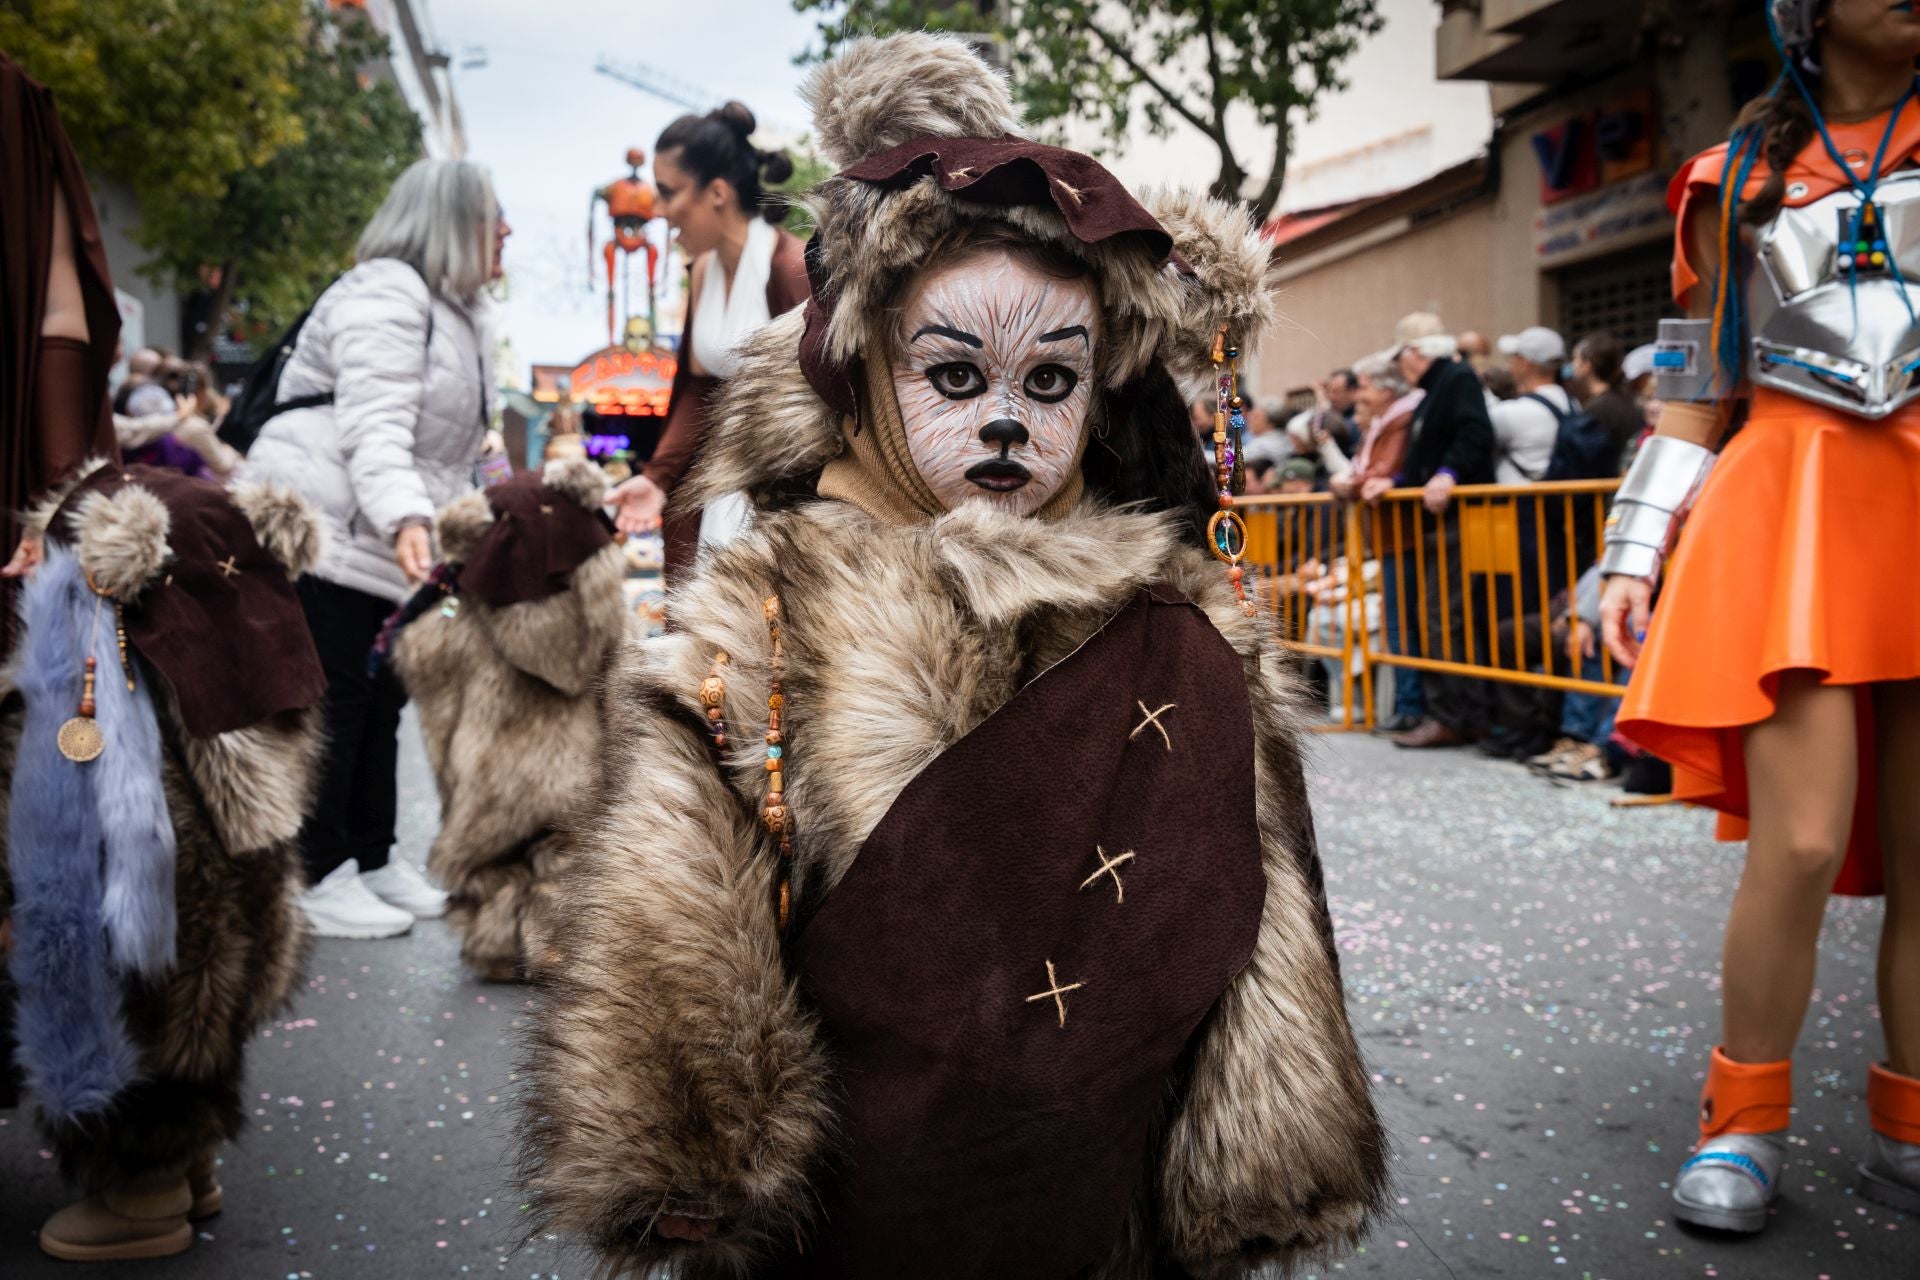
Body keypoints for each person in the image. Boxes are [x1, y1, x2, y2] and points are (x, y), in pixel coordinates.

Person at [517, 33, 1386, 1277]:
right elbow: (686, 868)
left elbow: (1258, 883)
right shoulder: (777, 602)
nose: (1002, 420)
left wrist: (1265, 1135)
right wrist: (684, 1138)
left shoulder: (1174, 620)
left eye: (1049, 380)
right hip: (859, 1187)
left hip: (1103, 1170)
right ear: (870, 369)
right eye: (955, 371)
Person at [1599, 0, 1920, 1233]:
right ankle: (1743, 1119)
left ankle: (1909, 1122)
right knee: (1797, 842)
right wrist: (1631, 549)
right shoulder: (1730, 178)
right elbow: (1694, 376)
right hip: (1790, 499)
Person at [4, 462, 328, 1260]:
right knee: (201, 1029)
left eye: (45, 550)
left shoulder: (100, 705)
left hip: (139, 954)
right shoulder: (232, 675)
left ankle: (143, 1198)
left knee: (133, 1029)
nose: (22, 564)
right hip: (231, 950)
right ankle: (191, 1168)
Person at [245, 158, 508, 939]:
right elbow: (375, 425)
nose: (508, 232)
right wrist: (408, 520)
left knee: (383, 698)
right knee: (340, 699)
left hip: (383, 530)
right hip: (332, 527)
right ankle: (319, 871)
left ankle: (370, 854)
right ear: (452, 223)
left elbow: (450, 444)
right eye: (494, 217)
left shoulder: (458, 310)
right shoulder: (386, 293)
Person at [388, 457, 630, 981]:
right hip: (574, 762)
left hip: (489, 776)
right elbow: (621, 671)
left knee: (494, 863)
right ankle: (560, 943)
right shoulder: (596, 595)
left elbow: (420, 655)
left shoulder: (466, 601)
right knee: (564, 849)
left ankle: (498, 947)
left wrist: (451, 596)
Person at [605, 103, 808, 587]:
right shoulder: (700, 273)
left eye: (669, 193)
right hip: (719, 496)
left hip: (785, 510)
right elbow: (699, 391)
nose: (657, 210)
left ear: (717, 193)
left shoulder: (791, 270)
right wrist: (656, 479)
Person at [1390, 312, 1496, 749]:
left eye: (1402, 358)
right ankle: (1454, 713)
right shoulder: (1438, 388)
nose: (1400, 368)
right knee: (1440, 617)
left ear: (1415, 354)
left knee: (1442, 618)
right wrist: (1396, 484)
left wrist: (1449, 473)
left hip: (1456, 519)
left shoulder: (1456, 380)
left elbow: (1475, 433)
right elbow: (1424, 459)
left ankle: (1451, 715)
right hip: (1440, 520)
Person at [1335, 354, 1426, 730]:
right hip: (1388, 537)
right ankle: (1406, 705)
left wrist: (1349, 484)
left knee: (1402, 621)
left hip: (1401, 535)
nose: (1362, 395)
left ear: (1387, 390)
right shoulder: (1384, 422)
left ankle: (1411, 705)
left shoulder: (1400, 419)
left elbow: (1379, 472)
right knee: (1397, 620)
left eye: (1367, 388)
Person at [1488, 325, 1570, 485]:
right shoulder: (1572, 403)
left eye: (1514, 356)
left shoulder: (1513, 412)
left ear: (1525, 363)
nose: (1511, 362)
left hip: (1521, 506)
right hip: (1562, 505)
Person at [1570, 331, 1641, 472]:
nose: (1572, 365)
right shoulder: (1628, 399)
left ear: (1587, 365)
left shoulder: (1597, 409)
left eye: (1575, 359)